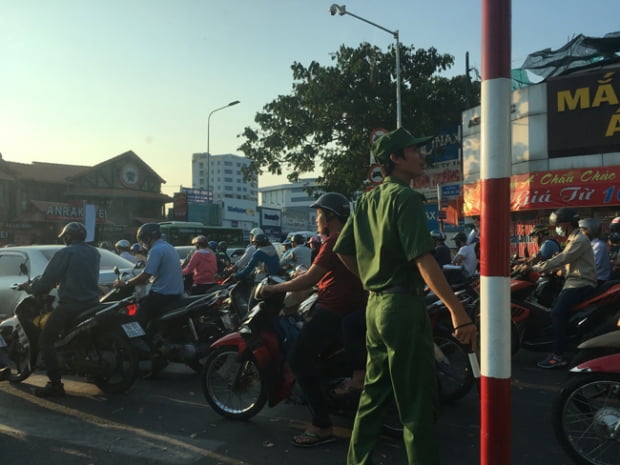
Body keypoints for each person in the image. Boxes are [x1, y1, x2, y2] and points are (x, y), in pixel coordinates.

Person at [333, 127, 477, 465]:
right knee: (416, 402)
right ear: (396, 159)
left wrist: (370, 279)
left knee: (373, 395)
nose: (422, 156)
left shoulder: (367, 198)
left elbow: (343, 250)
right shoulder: (406, 198)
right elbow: (423, 259)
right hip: (401, 306)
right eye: (415, 151)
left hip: (375, 306)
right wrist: (458, 312)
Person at [261, 192, 367, 448]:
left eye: (320, 214)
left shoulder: (334, 243)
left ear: (330, 217)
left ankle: (322, 425)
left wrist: (274, 289)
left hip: (335, 309)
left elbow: (309, 278)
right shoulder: (349, 238)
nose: (317, 219)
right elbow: (319, 279)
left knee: (298, 358)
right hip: (348, 306)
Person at [17, 222, 101, 397]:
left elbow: (49, 279)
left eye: (65, 236)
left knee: (45, 341)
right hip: (93, 302)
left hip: (72, 304)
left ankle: (55, 384)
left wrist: (32, 288)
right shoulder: (94, 252)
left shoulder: (66, 252)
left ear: (68, 237)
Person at [531, 208, 597, 368]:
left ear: (565, 224)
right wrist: (555, 269)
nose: (557, 228)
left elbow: (563, 258)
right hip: (573, 281)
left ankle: (558, 355)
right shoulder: (573, 239)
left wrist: (538, 268)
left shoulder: (579, 240)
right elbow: (571, 262)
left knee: (557, 313)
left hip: (579, 284)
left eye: (558, 224)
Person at [113, 223, 183, 372]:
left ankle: (153, 353)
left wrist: (125, 283)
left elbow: (145, 275)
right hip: (175, 294)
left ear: (148, 238)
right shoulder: (168, 247)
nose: (143, 243)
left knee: (135, 323)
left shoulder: (156, 250)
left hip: (161, 295)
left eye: (143, 239)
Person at [579, 218, 610, 286]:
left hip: (597, 280)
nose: (580, 234)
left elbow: (592, 265)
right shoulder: (587, 244)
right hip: (587, 279)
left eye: (582, 231)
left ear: (591, 231)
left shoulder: (598, 245)